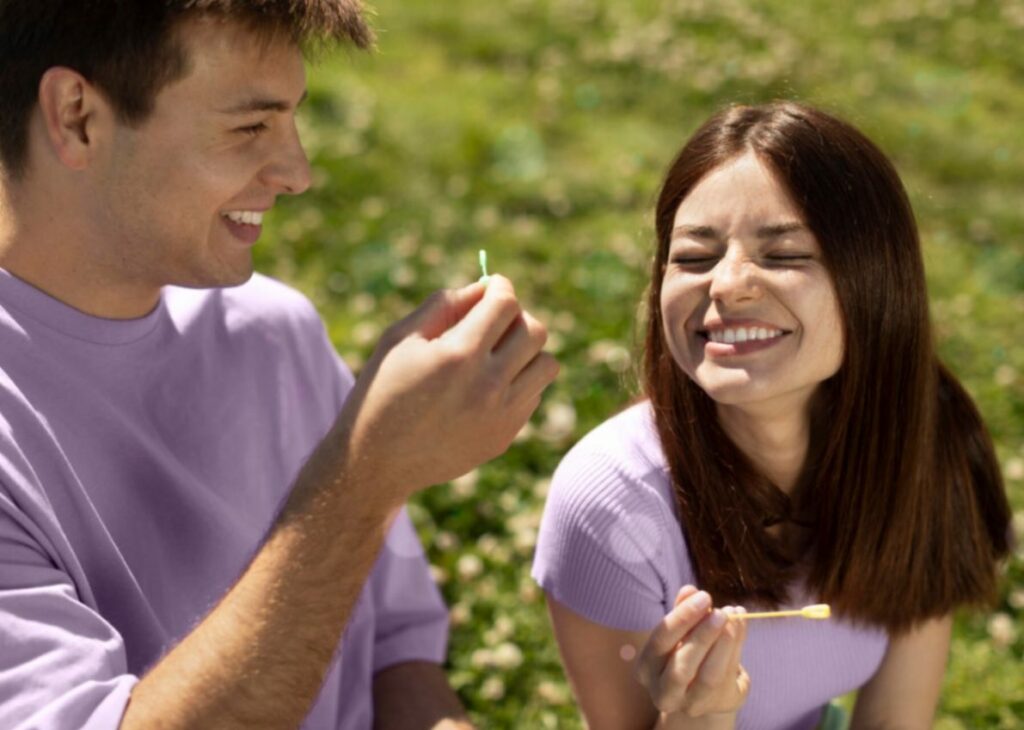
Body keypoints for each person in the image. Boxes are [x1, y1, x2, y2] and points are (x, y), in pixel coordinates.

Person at [0, 2, 558, 729]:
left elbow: (394, 644)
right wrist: (364, 477)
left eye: (294, 120)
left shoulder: (275, 331)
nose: (298, 173)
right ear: (77, 118)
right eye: (249, 128)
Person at [532, 101, 1011, 730]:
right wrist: (698, 718)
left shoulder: (925, 441)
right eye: (694, 258)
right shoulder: (608, 503)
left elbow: (895, 720)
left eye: (784, 254)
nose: (726, 285)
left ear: (877, 284)